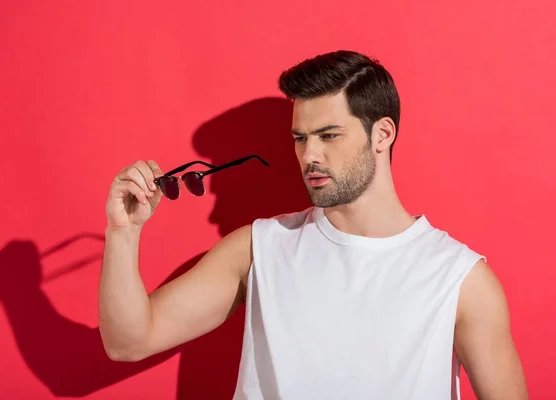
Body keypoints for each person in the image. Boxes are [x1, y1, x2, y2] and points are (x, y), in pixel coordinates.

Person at [98, 50, 528, 399]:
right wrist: (124, 232)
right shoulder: (259, 248)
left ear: (382, 134)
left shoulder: (460, 278)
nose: (310, 156)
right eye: (300, 139)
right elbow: (129, 342)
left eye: (329, 135)